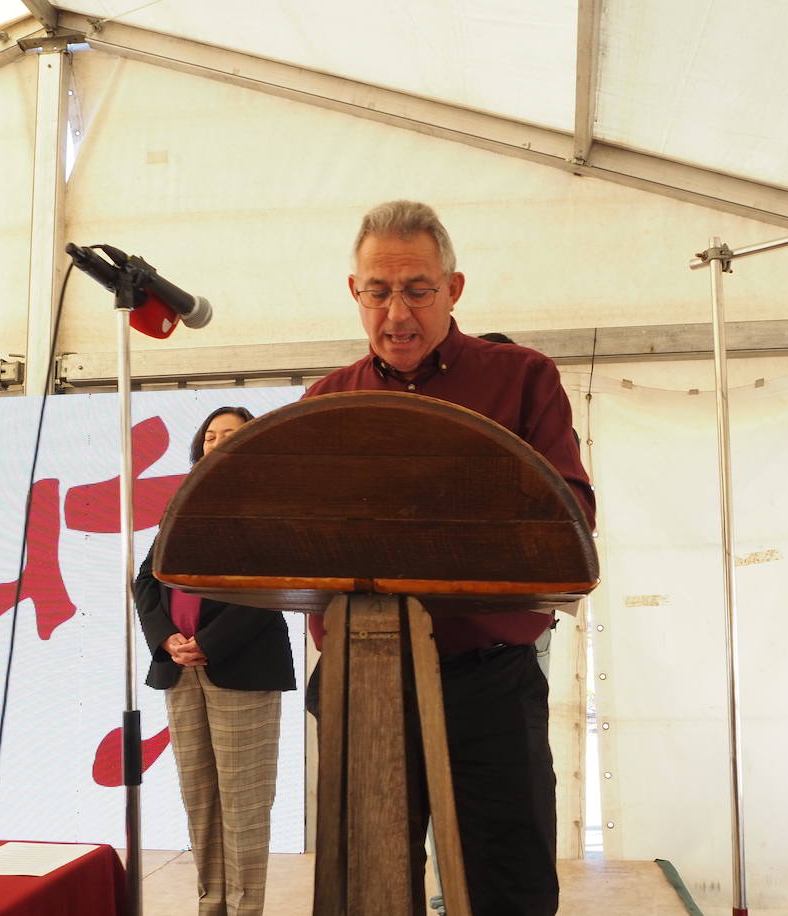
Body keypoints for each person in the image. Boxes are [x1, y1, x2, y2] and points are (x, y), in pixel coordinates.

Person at [304, 200, 596, 916]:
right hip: (362, 682)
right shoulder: (326, 402)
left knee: (509, 888)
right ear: (354, 292)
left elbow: (572, 522)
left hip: (487, 685)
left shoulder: (521, 380)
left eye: (417, 289)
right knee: (365, 893)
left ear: (454, 289)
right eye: (378, 291)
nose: (396, 313)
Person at [134, 406, 296, 916]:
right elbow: (147, 579)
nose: (217, 443)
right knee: (201, 799)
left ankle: (246, 909)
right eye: (210, 436)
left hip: (240, 667)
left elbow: (271, 584)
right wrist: (166, 640)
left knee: (244, 803)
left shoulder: (270, 507)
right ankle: (212, 903)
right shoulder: (183, 503)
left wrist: (210, 641)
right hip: (178, 668)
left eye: (231, 434)